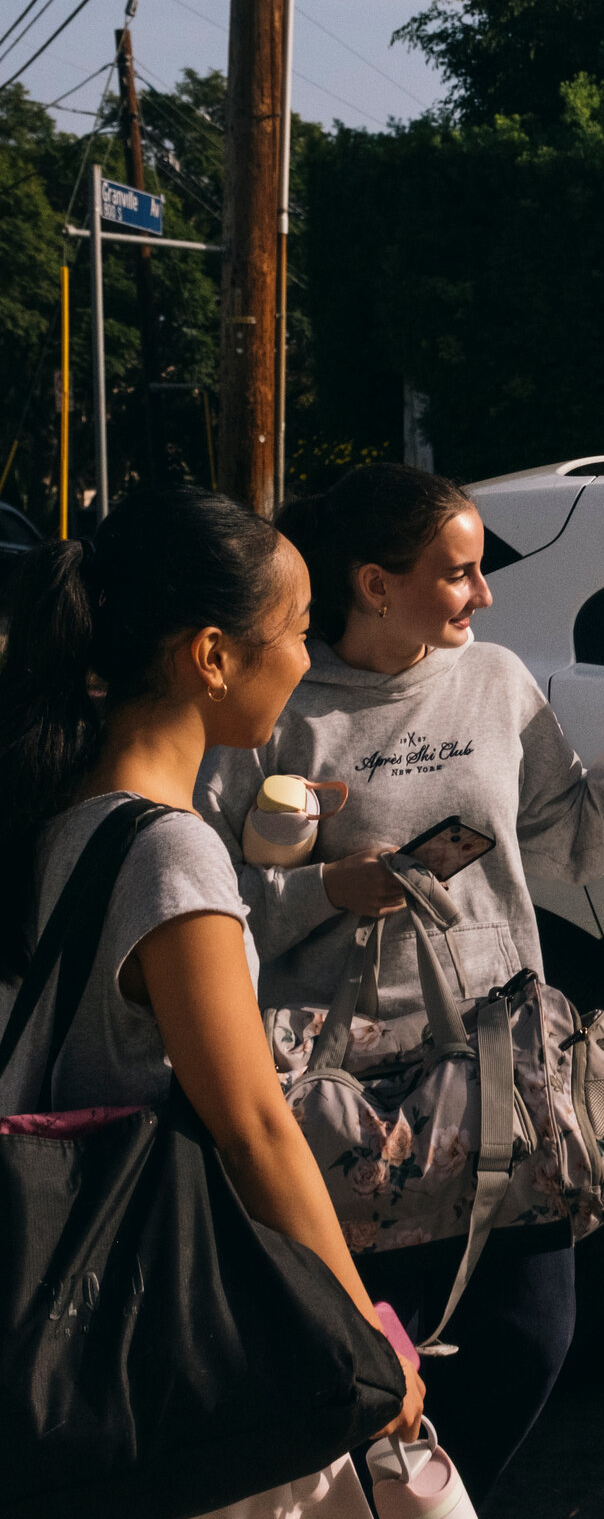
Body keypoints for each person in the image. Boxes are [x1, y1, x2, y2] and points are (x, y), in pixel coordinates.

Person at [198, 461, 604, 1504]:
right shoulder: (282, 704)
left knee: (530, 1338)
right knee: (357, 1363)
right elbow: (205, 898)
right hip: (339, 1102)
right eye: (460, 572)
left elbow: (577, 840)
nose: (485, 594)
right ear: (376, 584)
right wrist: (331, 887)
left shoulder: (496, 684)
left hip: (495, 1077)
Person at [0, 487, 427, 1505]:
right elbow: (252, 1129)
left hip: (68, 1300)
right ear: (211, 657)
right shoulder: (169, 851)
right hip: (164, 1315)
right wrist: (367, 1334)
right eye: (295, 628)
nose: (307, 654)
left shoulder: (61, 815)